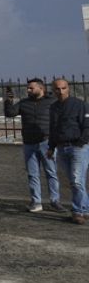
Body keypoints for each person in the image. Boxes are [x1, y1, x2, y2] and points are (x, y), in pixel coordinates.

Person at [3, 78, 61, 212]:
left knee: (51, 172)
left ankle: (55, 201)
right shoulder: (24, 103)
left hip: (46, 142)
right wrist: (8, 101)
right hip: (29, 143)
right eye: (28, 88)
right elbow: (10, 113)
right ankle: (36, 202)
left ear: (41, 88)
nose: (28, 90)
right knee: (32, 174)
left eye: (31, 88)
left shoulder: (52, 102)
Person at [46, 78, 89, 225]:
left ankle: (77, 212)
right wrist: (51, 147)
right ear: (54, 90)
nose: (60, 91)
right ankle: (85, 209)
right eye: (57, 89)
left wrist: (81, 142)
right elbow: (53, 128)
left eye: (63, 88)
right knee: (75, 181)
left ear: (68, 88)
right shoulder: (53, 108)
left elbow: (87, 125)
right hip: (61, 148)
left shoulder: (79, 104)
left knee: (77, 182)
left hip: (78, 148)